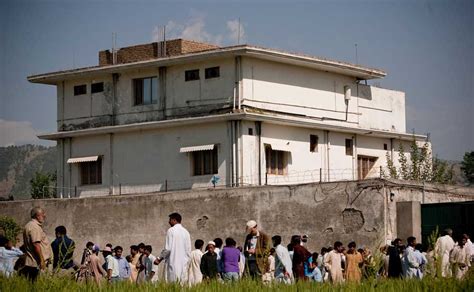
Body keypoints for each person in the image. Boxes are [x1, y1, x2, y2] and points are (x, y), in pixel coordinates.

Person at [156, 212, 192, 283]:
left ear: (174, 220)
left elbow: (168, 249)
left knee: (172, 285)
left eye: (170, 220)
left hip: (173, 263)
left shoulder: (171, 230)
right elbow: (188, 250)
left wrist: (159, 258)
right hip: (183, 265)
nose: (169, 222)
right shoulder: (186, 232)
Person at [20, 206, 52, 281]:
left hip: (34, 262)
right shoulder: (34, 227)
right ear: (37, 216)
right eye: (43, 214)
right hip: (37, 263)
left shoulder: (30, 225)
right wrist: (42, 260)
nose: (44, 215)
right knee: (40, 283)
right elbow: (36, 245)